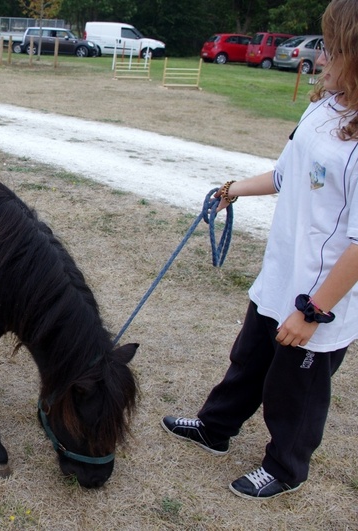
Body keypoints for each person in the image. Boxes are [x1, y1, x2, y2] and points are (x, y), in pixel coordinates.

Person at [162, 0, 358, 501]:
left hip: (319, 298)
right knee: (249, 359)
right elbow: (283, 174)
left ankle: (286, 466)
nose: (319, 59)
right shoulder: (323, 106)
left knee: (295, 389)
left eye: (333, 51)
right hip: (280, 277)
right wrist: (233, 189)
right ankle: (215, 428)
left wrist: (315, 310)